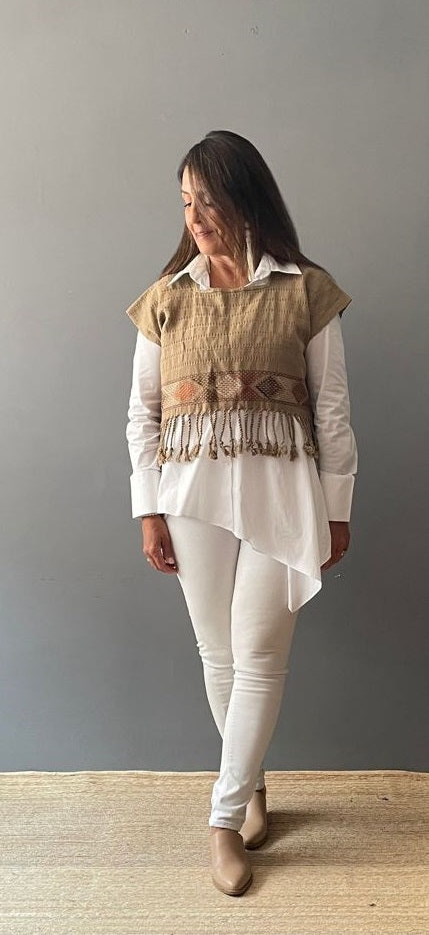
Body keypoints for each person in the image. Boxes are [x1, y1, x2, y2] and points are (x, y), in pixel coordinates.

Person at [124, 130, 358, 897]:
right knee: (218, 655)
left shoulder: (306, 291)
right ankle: (248, 782)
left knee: (257, 654)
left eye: (207, 200)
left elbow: (331, 412)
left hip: (282, 497)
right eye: (184, 202)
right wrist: (148, 507)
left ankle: (222, 819)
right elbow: (142, 416)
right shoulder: (166, 298)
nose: (194, 217)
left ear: (245, 199)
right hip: (190, 497)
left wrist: (336, 509)